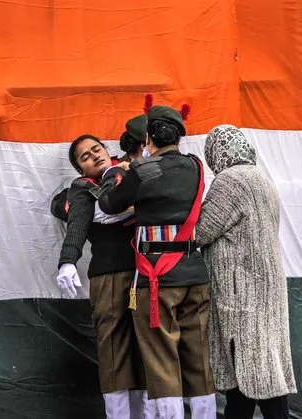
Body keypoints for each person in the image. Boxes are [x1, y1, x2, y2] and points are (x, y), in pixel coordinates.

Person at [97, 96, 217, 419]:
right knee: (198, 357)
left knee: (161, 359)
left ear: (148, 138)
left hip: (158, 278)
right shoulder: (195, 166)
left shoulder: (143, 169)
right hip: (195, 273)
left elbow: (109, 203)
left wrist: (116, 173)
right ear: (178, 137)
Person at [194, 124, 298, 419]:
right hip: (264, 291)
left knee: (257, 372)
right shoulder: (260, 177)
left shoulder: (230, 180)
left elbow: (202, 231)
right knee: (253, 372)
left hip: (243, 295)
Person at [53, 132, 155, 418]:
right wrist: (67, 261)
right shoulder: (81, 190)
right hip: (108, 276)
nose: (94, 156)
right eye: (85, 156)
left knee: (149, 348)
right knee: (114, 352)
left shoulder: (130, 171)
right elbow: (76, 225)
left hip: (146, 273)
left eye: (96, 149)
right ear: (80, 169)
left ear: (106, 150)